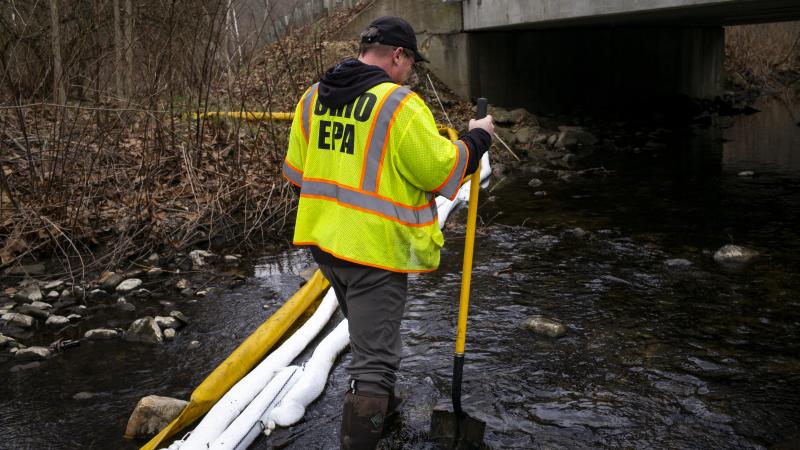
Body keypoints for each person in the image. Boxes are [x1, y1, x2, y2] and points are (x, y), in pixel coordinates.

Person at [282, 16, 494, 450]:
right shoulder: (397, 104)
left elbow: (296, 175)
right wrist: (477, 139)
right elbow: (442, 170)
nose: (411, 72)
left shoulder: (311, 98)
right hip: (374, 255)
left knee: (366, 339)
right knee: (375, 363)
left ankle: (386, 410)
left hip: (326, 248)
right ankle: (366, 424)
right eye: (411, 62)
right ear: (397, 55)